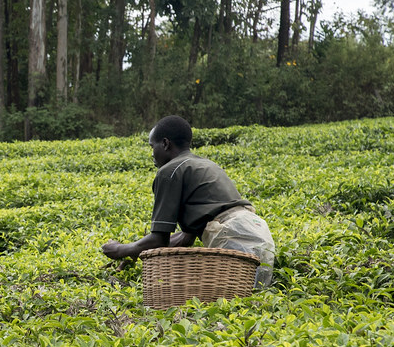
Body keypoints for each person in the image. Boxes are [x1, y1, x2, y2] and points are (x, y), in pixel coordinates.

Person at [101, 115, 275, 286]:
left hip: (232, 238)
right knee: (252, 300)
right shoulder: (205, 165)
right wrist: (137, 253)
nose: (152, 154)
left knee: (225, 301)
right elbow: (185, 238)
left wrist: (119, 249)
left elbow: (159, 239)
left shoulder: (169, 171)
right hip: (259, 234)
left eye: (152, 146)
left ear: (165, 143)